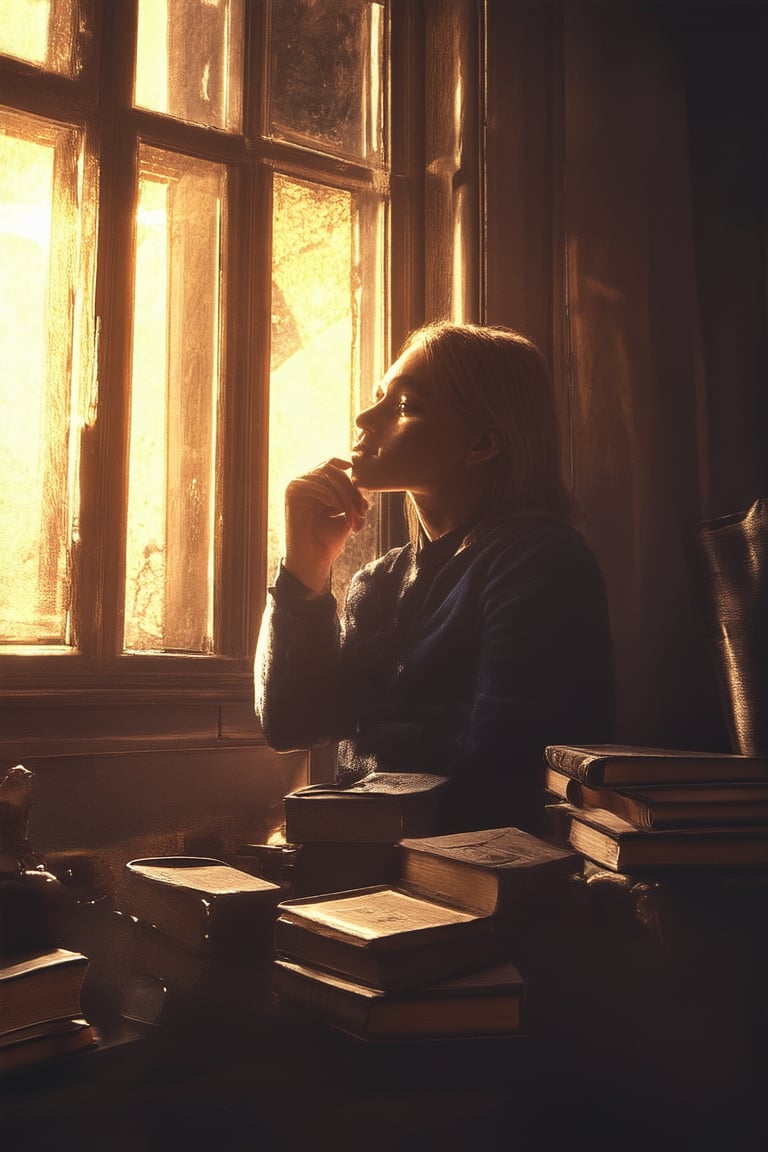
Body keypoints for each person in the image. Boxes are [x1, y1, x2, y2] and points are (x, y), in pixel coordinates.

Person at [255, 321, 615, 833]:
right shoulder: (377, 582)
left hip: (476, 873)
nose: (364, 416)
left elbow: (503, 773)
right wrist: (304, 569)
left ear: (483, 442)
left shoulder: (540, 561)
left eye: (405, 406)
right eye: (380, 395)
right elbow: (291, 724)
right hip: (368, 856)